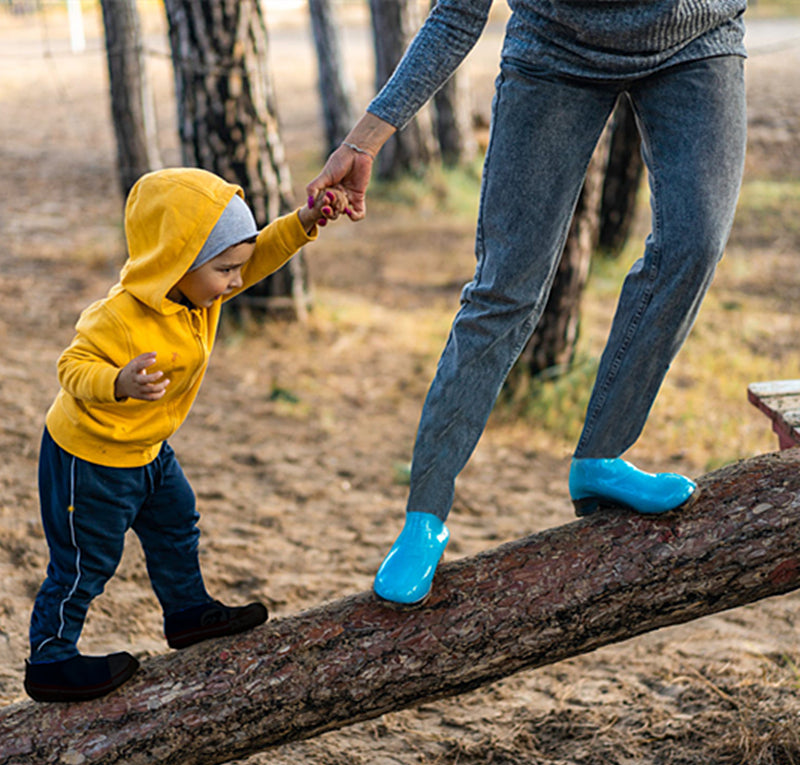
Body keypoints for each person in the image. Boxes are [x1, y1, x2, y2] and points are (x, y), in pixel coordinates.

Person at [306, 1, 748, 605]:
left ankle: (601, 456)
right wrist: (367, 138)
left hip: (698, 37)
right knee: (504, 291)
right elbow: (457, 13)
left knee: (693, 246)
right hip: (556, 50)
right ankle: (424, 520)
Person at [25, 167, 348, 702]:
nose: (236, 281)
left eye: (236, 268)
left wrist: (305, 220)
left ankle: (187, 613)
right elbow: (70, 366)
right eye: (225, 269)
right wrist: (117, 382)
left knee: (177, 523)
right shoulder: (120, 317)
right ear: (177, 261)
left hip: (149, 451)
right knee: (86, 562)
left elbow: (259, 255)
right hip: (92, 459)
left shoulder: (202, 292)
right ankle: (51, 658)